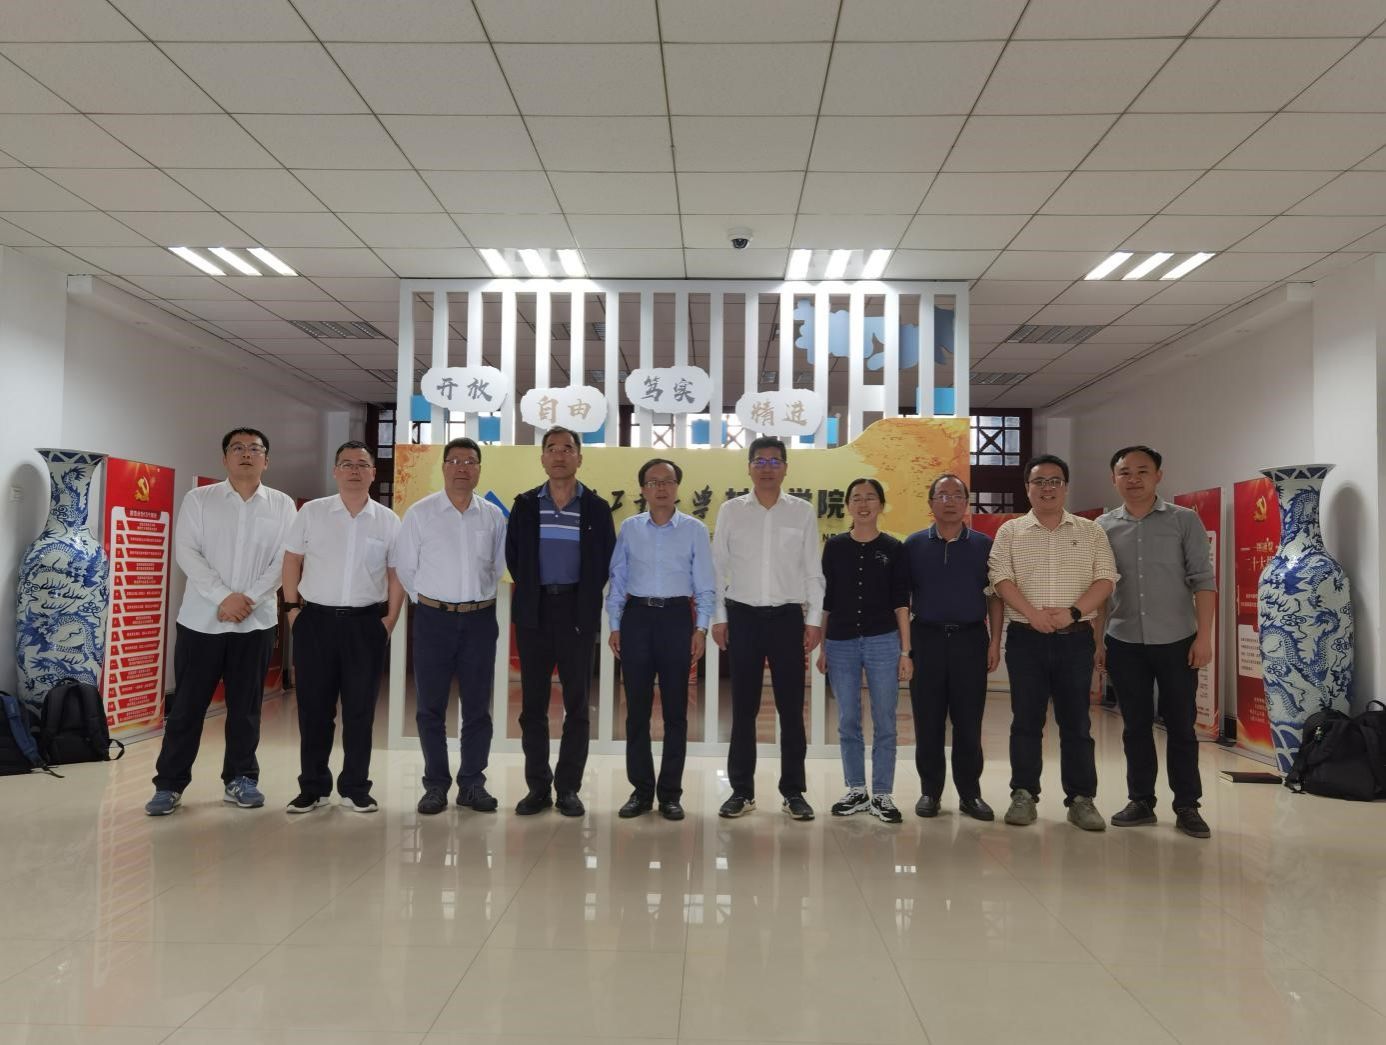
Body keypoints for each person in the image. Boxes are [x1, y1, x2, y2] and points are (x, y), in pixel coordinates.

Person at [144, 428, 296, 816]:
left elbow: (284, 559)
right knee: (187, 708)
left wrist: (249, 599)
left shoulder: (282, 505)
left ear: (266, 460)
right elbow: (187, 553)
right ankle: (169, 785)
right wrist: (223, 597)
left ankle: (241, 778)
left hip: (255, 623)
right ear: (224, 458)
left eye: (255, 449)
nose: (246, 454)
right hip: (202, 622)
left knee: (246, 708)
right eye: (237, 448)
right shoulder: (199, 499)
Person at [988, 453, 1118, 831]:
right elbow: (1000, 578)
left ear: (1065, 487)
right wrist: (1033, 613)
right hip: (1026, 640)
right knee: (1025, 721)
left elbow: (1106, 579)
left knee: (1076, 722)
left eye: (1055, 481)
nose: (1047, 488)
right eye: (1039, 481)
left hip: (1075, 641)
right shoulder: (1010, 531)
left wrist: (1073, 613)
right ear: (1027, 488)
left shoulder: (1091, 531)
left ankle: (1081, 799)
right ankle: (1023, 794)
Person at [1097, 445, 1215, 839]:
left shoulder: (1184, 520)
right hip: (1124, 640)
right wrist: (1099, 642)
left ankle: (1187, 805)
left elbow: (1203, 581)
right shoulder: (1102, 527)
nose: (1133, 479)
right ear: (1114, 479)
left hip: (1177, 640)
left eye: (1142, 471)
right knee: (1134, 726)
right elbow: (1101, 590)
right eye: (1125, 472)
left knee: (1181, 726)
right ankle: (1141, 801)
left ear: (1158, 476)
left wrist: (1204, 637)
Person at [280, 441, 403, 814]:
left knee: (360, 711)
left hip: (365, 625)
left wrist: (390, 620)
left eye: (362, 465)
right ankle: (313, 787)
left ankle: (355, 787)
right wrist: (292, 611)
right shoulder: (312, 513)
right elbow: (292, 560)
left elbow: (396, 574)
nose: (354, 470)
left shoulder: (388, 520)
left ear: (373, 473)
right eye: (346, 464)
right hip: (315, 622)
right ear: (335, 471)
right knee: (314, 710)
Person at [711, 436, 825, 820]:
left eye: (775, 461)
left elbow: (813, 571)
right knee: (743, 708)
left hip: (787, 618)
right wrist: (719, 617)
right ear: (748, 467)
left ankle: (793, 792)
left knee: (790, 710)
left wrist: (813, 622)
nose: (767, 468)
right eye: (759, 461)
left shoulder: (802, 512)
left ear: (786, 468)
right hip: (742, 616)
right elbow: (717, 567)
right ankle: (741, 791)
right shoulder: (731, 511)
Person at [394, 436, 508, 816]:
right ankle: (435, 785)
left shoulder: (493, 516)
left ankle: (472, 783)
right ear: (443, 467)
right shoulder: (420, 513)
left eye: (470, 461)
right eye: (455, 461)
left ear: (479, 469)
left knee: (477, 707)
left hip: (479, 620)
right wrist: (429, 603)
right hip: (433, 620)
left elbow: (497, 566)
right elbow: (406, 567)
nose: (463, 468)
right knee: (430, 707)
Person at [506, 426, 616, 817]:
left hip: (576, 611)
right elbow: (514, 557)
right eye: (551, 448)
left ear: (579, 458)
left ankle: (568, 787)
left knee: (577, 705)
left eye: (567, 448)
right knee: (533, 706)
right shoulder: (524, 505)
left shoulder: (596, 508)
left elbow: (604, 559)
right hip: (534, 611)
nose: (559, 455)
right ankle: (537, 787)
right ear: (542, 458)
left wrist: (581, 599)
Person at [607, 458, 715, 821]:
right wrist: (615, 625)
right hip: (637, 618)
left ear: (677, 486)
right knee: (636, 711)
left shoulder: (695, 530)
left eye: (667, 481)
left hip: (676, 619)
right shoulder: (630, 528)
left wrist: (700, 628)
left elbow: (705, 583)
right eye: (653, 482)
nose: (661, 488)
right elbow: (618, 579)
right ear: (643, 490)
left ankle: (670, 793)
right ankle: (640, 791)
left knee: (675, 713)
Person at [904, 473, 1003, 821]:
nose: (949, 501)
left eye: (957, 495)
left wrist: (995, 641)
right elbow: (901, 599)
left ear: (966, 503)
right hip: (926, 639)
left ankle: (970, 794)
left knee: (969, 721)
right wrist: (905, 648)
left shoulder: (984, 545)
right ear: (931, 503)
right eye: (942, 495)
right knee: (927, 720)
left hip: (970, 640)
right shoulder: (913, 545)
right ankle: (930, 792)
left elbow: (995, 596)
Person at [817, 478, 912, 824]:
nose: (863, 504)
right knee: (848, 719)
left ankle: (882, 794)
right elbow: (827, 601)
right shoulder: (835, 547)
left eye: (870, 498)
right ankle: (856, 789)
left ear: (881, 505)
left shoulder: (894, 547)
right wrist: (822, 647)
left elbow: (901, 601)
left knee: (885, 719)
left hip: (883, 640)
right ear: (847, 506)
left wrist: (905, 651)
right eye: (856, 498)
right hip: (840, 642)